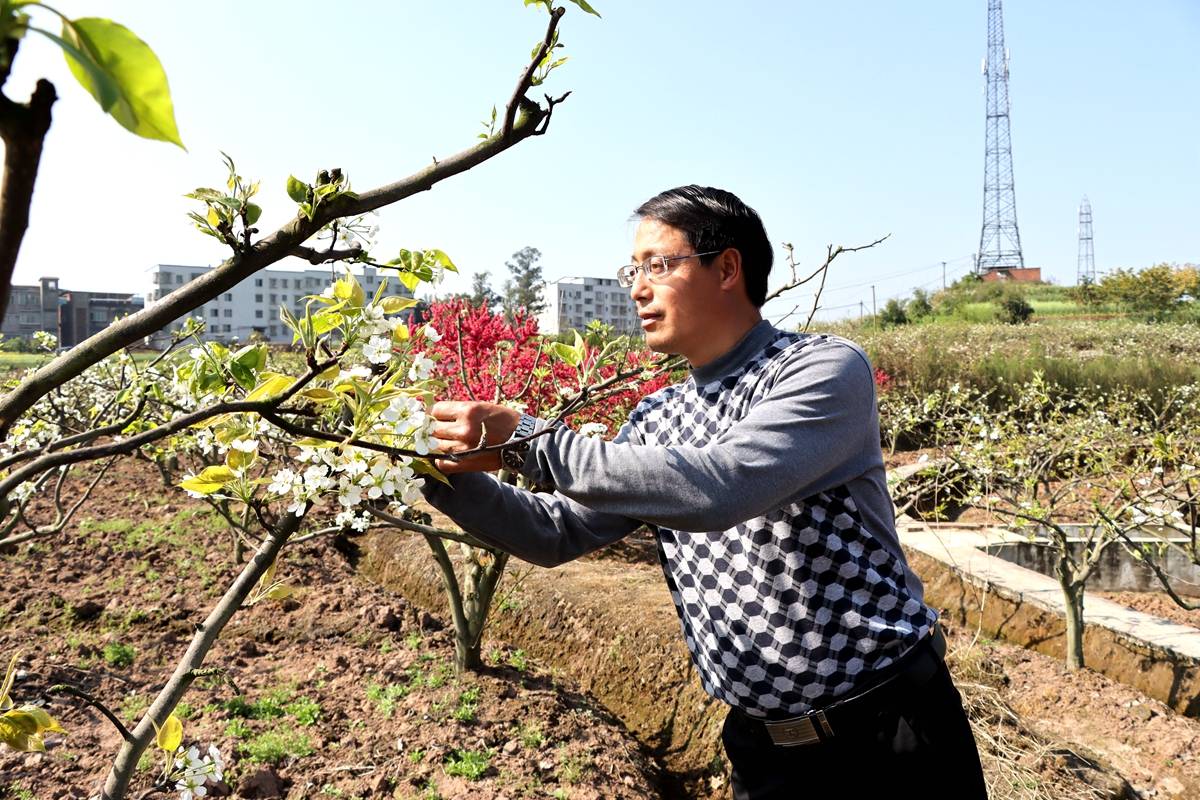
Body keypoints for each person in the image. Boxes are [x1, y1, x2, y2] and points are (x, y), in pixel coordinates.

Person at [424, 185, 987, 799]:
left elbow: (724, 485)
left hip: (889, 738)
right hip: (765, 752)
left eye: (658, 265)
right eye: (632, 270)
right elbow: (555, 530)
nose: (637, 288)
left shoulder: (820, 369)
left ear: (727, 268)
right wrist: (435, 476)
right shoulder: (654, 417)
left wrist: (530, 440)